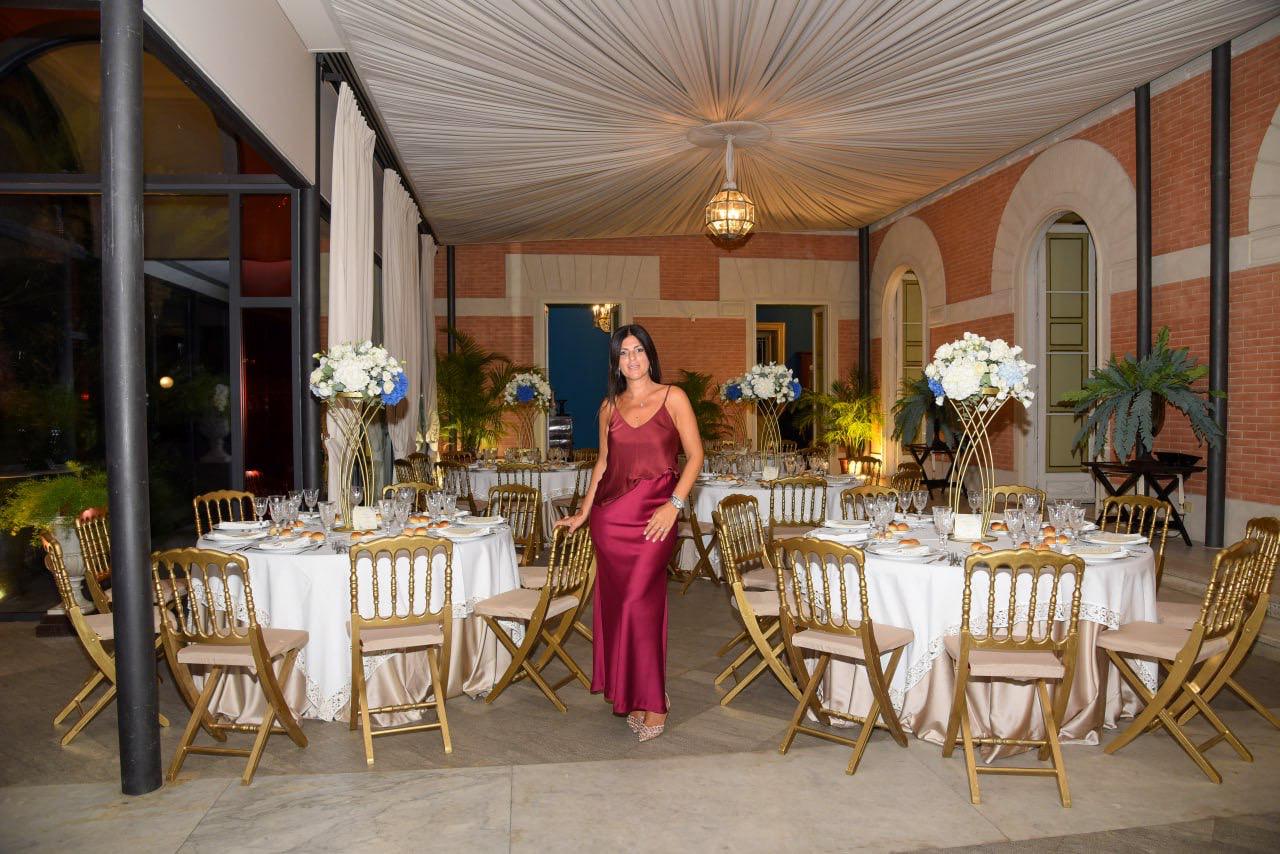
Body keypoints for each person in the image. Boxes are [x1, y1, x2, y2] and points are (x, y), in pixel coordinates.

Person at [555, 323, 704, 741]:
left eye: (638, 350)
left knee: (641, 602)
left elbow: (695, 456)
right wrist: (583, 512)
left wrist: (674, 506)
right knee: (620, 607)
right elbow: (603, 464)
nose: (632, 359)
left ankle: (653, 700)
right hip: (611, 519)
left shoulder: (674, 397)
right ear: (615, 362)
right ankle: (634, 693)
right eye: (624, 353)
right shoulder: (609, 406)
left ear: (650, 355)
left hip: (657, 517)